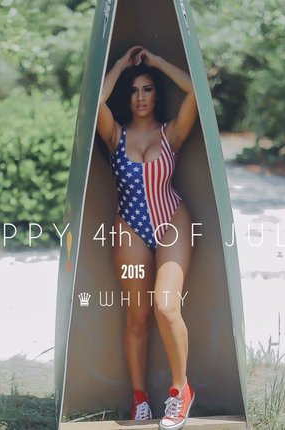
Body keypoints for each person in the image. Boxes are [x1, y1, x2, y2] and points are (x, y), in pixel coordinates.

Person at [96, 45, 198, 430]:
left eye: (148, 89)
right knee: (137, 317)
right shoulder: (115, 135)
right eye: (134, 90)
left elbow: (196, 91)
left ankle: (180, 391)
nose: (140, 97)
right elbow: (95, 103)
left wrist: (155, 61)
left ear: (156, 95)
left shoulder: (171, 132)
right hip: (130, 228)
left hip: (172, 221)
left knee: (166, 307)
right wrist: (120, 64)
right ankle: (139, 400)